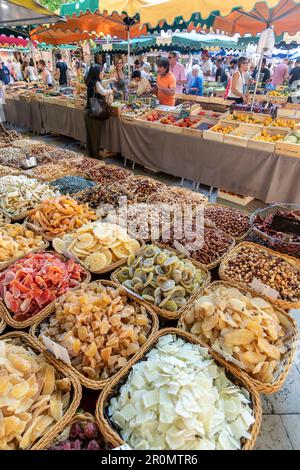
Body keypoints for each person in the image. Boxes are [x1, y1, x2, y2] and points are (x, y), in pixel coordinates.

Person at [84, 64, 113, 157]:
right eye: (102, 71)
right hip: (95, 112)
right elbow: (103, 92)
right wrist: (110, 91)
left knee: (90, 136)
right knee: (95, 137)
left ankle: (91, 155)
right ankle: (95, 157)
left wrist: (110, 80)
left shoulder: (90, 81)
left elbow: (101, 83)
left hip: (88, 111)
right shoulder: (96, 83)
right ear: (97, 73)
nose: (103, 72)